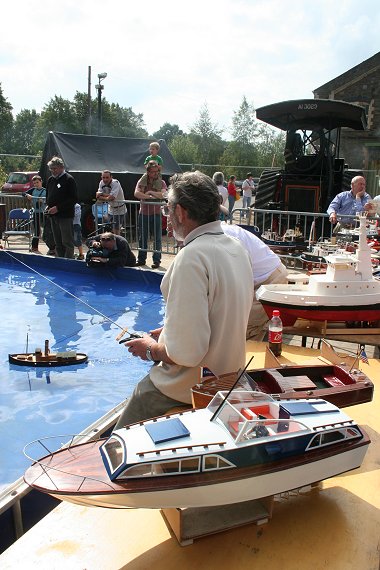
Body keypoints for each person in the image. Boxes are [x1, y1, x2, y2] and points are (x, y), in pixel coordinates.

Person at [115, 171, 253, 427]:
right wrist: (170, 331)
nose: (166, 218)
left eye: (168, 209)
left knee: (121, 436)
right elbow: (219, 314)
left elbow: (187, 354)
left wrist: (150, 349)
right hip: (230, 378)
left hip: (190, 387)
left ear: (180, 212)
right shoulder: (236, 247)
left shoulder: (191, 257)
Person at [221, 222, 288, 340]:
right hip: (267, 276)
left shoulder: (220, 237)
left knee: (246, 326)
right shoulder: (220, 231)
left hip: (270, 279)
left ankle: (251, 356)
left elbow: (233, 280)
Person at [134, 160, 166, 269]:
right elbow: (137, 193)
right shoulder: (142, 181)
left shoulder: (161, 182)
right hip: (143, 213)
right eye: (153, 172)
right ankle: (141, 259)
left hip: (156, 213)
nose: (156, 173)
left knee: (157, 238)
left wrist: (149, 193)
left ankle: (156, 261)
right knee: (142, 237)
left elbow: (163, 195)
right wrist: (149, 197)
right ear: (148, 172)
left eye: (157, 171)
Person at [45, 156, 78, 258]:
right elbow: (48, 195)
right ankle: (60, 261)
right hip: (53, 216)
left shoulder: (69, 179)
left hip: (65, 216)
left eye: (54, 168)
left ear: (61, 167)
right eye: (51, 169)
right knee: (57, 242)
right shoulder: (50, 180)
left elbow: (73, 199)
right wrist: (48, 206)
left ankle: (68, 263)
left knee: (67, 241)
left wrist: (58, 208)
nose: (53, 171)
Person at [95, 170, 127, 235]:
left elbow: (112, 198)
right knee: (109, 228)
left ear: (111, 177)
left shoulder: (115, 183)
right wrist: (107, 197)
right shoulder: (101, 183)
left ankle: (117, 242)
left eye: (107, 177)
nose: (105, 179)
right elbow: (97, 196)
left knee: (116, 231)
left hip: (119, 209)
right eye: (103, 177)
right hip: (110, 209)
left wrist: (102, 195)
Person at [24, 175, 46, 253]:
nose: (36, 184)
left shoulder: (45, 191)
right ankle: (34, 247)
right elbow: (23, 193)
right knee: (36, 230)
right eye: (34, 183)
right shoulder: (33, 190)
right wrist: (27, 195)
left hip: (44, 213)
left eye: (37, 182)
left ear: (41, 182)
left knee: (47, 229)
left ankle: (52, 247)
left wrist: (43, 201)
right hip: (36, 212)